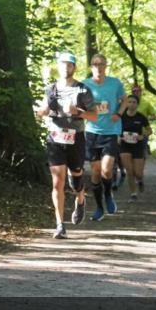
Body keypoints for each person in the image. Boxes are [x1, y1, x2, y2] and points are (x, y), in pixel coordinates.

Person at [35, 52, 97, 239]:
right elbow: (42, 110)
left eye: (69, 65)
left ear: (74, 68)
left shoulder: (83, 90)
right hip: (55, 138)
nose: (66, 68)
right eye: (63, 64)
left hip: (75, 138)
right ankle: (60, 224)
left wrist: (77, 112)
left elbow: (94, 116)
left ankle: (80, 198)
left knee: (76, 177)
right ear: (58, 66)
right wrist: (42, 112)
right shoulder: (51, 89)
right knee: (57, 181)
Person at [82, 54, 126, 220]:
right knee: (95, 171)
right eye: (95, 64)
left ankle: (108, 195)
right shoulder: (85, 84)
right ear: (91, 67)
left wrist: (119, 114)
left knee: (107, 170)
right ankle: (99, 207)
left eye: (101, 64)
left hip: (111, 131)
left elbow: (125, 100)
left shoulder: (115, 83)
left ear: (106, 66)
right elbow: (78, 104)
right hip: (92, 132)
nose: (98, 67)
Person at [119, 94, 152, 201]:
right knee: (129, 171)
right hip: (124, 145)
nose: (132, 104)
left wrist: (142, 136)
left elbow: (149, 130)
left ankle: (140, 180)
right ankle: (133, 194)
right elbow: (114, 127)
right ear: (126, 103)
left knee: (138, 173)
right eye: (129, 102)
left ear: (137, 105)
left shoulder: (141, 117)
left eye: (134, 102)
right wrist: (118, 137)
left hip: (137, 145)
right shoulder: (121, 116)